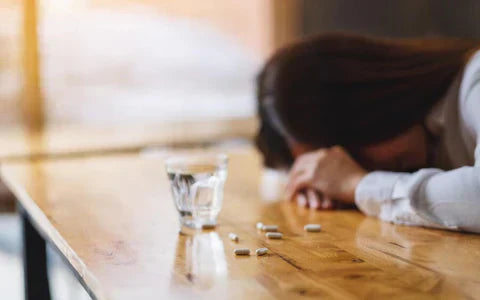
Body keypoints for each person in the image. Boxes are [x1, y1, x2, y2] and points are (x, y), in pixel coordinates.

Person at [255, 33, 480, 233]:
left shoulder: (475, 81)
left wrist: (358, 185)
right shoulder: (425, 143)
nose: (370, 168)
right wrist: (317, 180)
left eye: (355, 150)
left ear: (372, 96)